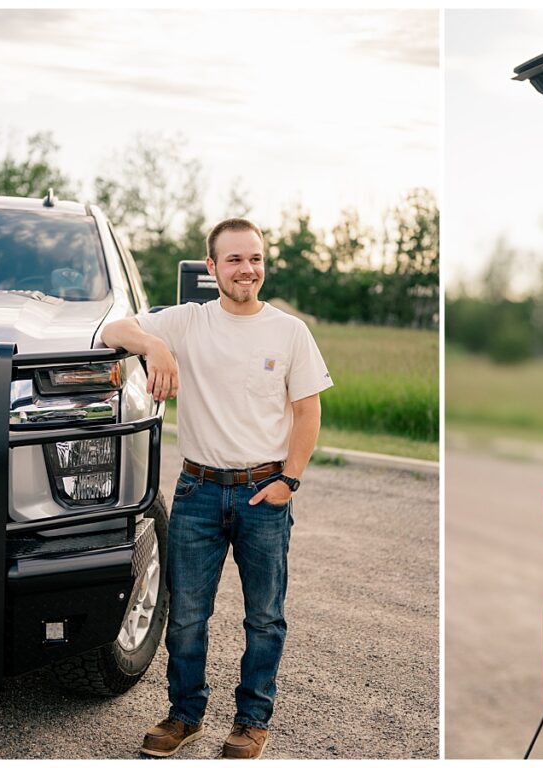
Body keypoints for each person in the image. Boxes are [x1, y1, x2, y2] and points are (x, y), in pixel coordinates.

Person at [101, 217, 333, 759]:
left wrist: (289, 480)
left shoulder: (290, 331)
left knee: (265, 617)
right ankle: (185, 716)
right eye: (233, 259)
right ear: (212, 267)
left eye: (254, 258)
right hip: (198, 492)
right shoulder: (188, 321)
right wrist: (155, 348)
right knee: (185, 616)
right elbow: (115, 331)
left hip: (263, 493)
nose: (246, 269)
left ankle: (252, 720)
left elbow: (307, 411)